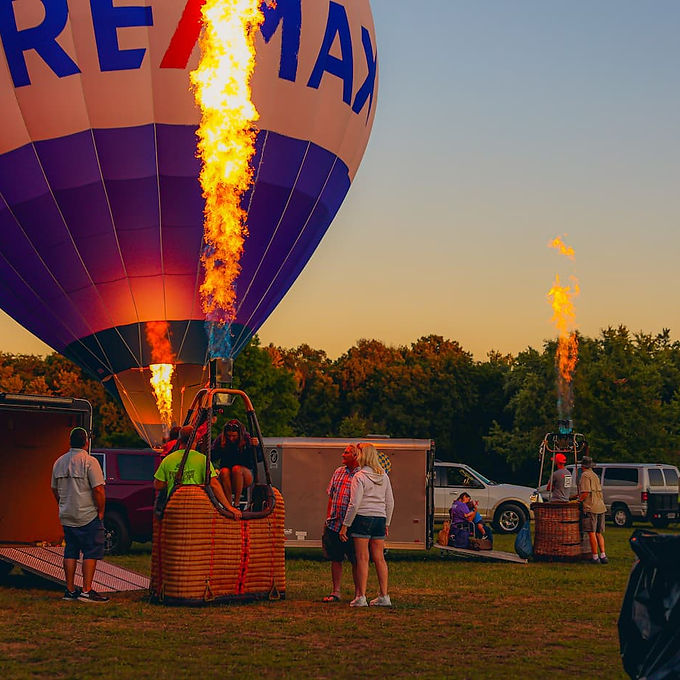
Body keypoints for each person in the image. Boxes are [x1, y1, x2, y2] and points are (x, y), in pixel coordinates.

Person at [51, 427, 108, 603]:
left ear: (70, 441)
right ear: (86, 442)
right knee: (91, 550)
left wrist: (62, 504)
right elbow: (98, 489)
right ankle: (86, 590)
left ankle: (69, 590)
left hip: (67, 513)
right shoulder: (89, 462)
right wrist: (100, 511)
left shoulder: (58, 462)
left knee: (71, 551)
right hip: (87, 514)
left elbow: (54, 488)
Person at [339, 442, 394, 608]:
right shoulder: (384, 476)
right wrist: (387, 522)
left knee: (363, 558)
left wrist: (345, 525)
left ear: (363, 456)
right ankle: (384, 596)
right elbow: (390, 501)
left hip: (362, 517)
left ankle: (361, 596)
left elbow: (354, 503)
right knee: (379, 558)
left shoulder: (360, 476)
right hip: (380, 518)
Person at [154, 425, 241, 518]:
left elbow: (158, 485)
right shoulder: (202, 460)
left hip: (175, 508)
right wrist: (229, 507)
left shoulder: (168, 459)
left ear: (180, 439)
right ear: (195, 438)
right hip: (198, 508)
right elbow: (214, 485)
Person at [321, 444, 361, 603]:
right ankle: (336, 591)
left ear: (356, 456)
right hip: (334, 523)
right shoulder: (338, 472)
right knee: (335, 558)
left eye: (346, 452)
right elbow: (331, 496)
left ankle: (359, 593)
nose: (343, 454)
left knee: (356, 559)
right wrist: (328, 517)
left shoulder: (361, 475)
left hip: (354, 524)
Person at [212, 419, 256, 507]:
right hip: (227, 477)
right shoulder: (222, 439)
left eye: (234, 436)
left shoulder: (247, 439)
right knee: (224, 471)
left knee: (236, 469)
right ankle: (228, 504)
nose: (231, 438)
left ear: (239, 435)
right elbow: (212, 456)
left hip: (244, 475)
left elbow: (258, 458)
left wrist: (255, 446)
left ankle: (236, 503)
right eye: (229, 436)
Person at [578, 455, 607, 564]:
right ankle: (603, 555)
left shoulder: (585, 475)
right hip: (600, 506)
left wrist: (579, 500)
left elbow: (585, 492)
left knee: (592, 532)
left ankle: (595, 557)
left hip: (591, 507)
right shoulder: (595, 475)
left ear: (582, 466)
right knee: (599, 533)